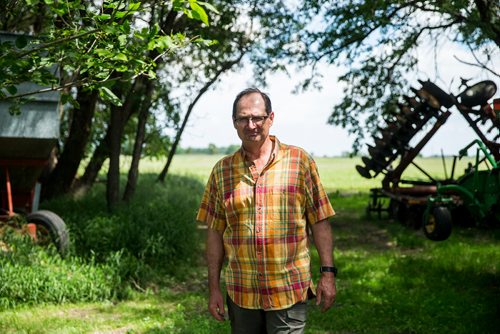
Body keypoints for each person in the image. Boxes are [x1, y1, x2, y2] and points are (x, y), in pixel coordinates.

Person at [197, 88, 336, 334]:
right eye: (243, 118)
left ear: (270, 118)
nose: (251, 125)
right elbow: (215, 233)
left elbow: (320, 220)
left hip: (288, 289)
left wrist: (327, 274)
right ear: (234, 123)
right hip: (242, 293)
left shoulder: (299, 161)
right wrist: (214, 289)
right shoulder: (222, 171)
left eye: (257, 117)